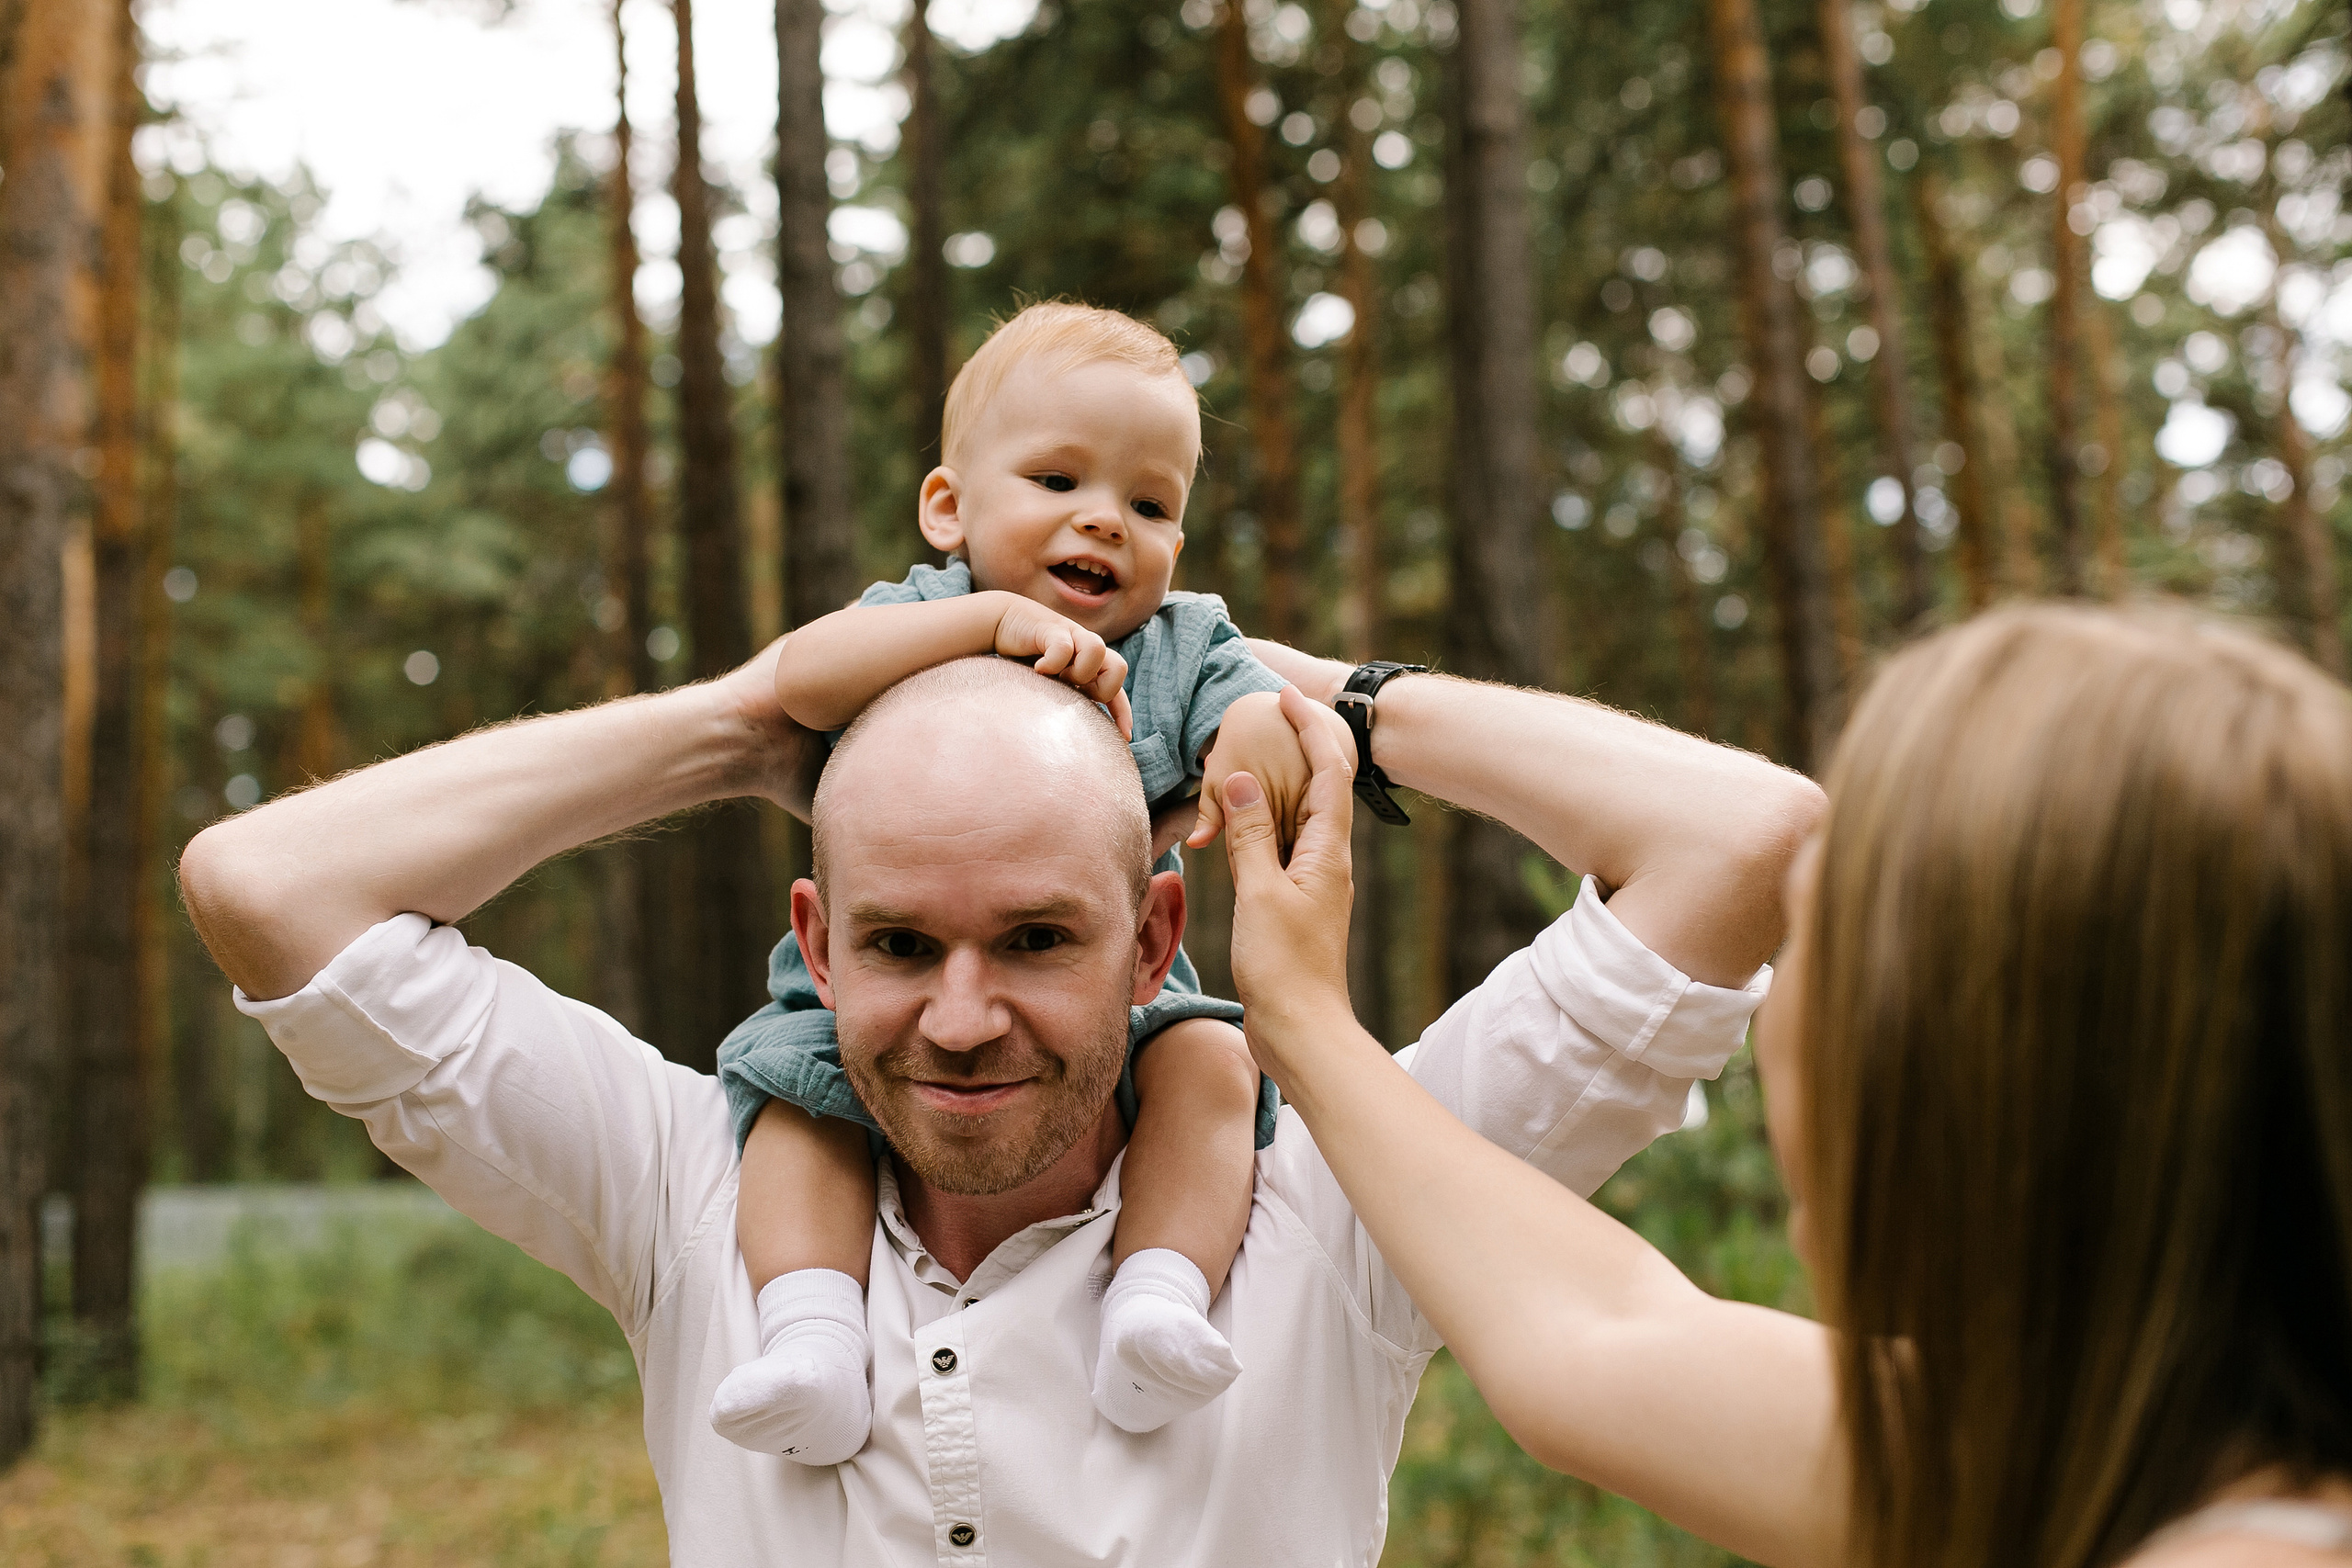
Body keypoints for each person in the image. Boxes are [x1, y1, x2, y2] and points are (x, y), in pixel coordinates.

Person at [176, 633, 1815, 1564]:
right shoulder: (689, 1189)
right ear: (818, 942)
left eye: (1036, 938)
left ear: (1155, 937)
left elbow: (1746, 843)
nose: (962, 1021)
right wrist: (745, 722)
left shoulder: (1339, 1210)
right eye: (901, 943)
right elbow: (267, 885)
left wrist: (1288, 689)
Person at [1222, 604, 2352, 1568]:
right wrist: (1320, 708)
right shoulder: (2091, 1445)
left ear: (1956, 1050)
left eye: (1814, 924)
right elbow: (1589, 1333)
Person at [709, 300, 1330, 1461]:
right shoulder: (927, 612)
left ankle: (1156, 1298)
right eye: (1056, 480)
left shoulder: (1181, 644)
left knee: (1212, 1063)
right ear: (950, 508)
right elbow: (804, 681)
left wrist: (1256, 729)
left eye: (1149, 505)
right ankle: (809, 1336)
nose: (1103, 519)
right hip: (861, 989)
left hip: (1112, 987)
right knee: (798, 1106)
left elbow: (1252, 716)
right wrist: (984, 623)